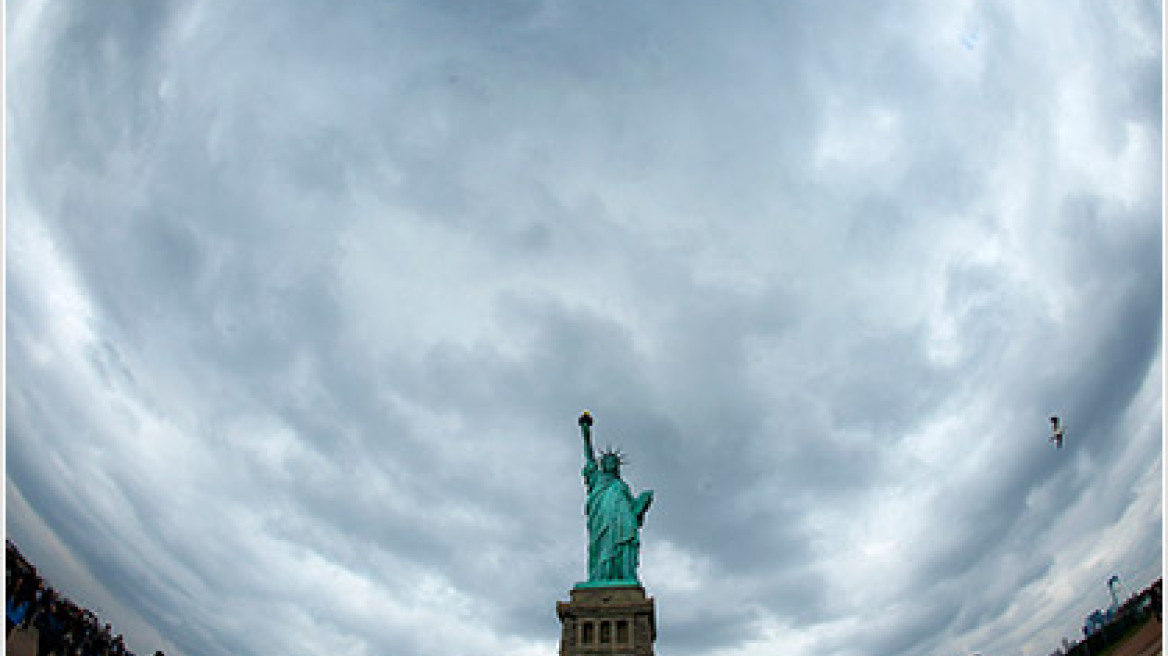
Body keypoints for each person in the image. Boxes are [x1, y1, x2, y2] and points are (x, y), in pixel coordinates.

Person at [577, 412, 653, 583]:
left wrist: (642, 502)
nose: (608, 463)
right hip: (602, 521)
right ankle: (600, 577)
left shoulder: (622, 486)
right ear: (602, 465)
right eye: (605, 461)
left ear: (617, 466)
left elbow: (633, 510)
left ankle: (625, 575)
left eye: (613, 461)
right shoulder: (596, 478)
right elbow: (589, 456)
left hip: (623, 522)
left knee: (624, 544)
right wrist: (585, 432)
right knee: (602, 547)